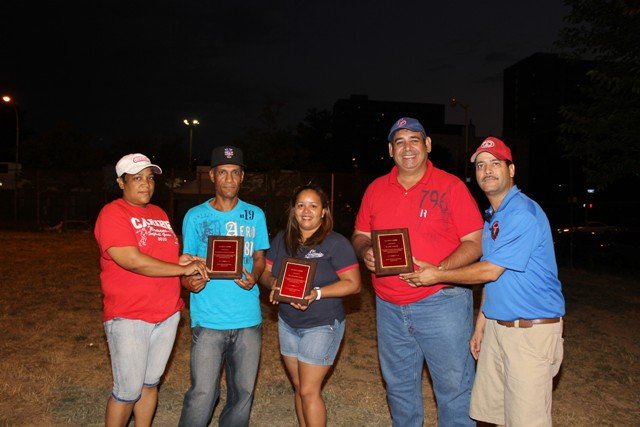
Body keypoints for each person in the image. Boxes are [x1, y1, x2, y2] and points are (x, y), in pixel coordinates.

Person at [399, 137, 565, 426]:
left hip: (529, 333)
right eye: (480, 165)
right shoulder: (493, 218)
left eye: (495, 163)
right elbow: (496, 282)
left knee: (526, 421)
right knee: (493, 416)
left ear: (511, 170)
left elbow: (489, 271)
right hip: (500, 330)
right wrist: (481, 325)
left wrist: (437, 274)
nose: (487, 170)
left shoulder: (522, 213)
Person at [352, 117, 483, 426]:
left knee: (453, 388)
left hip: (441, 301)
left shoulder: (451, 186)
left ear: (427, 145)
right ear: (390, 150)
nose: (407, 147)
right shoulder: (375, 189)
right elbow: (359, 234)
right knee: (399, 387)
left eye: (414, 140)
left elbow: (475, 243)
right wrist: (365, 251)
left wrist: (438, 271)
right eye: (399, 142)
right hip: (389, 306)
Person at [94, 153, 209, 427]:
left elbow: (163, 257)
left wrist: (183, 261)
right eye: (137, 178)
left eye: (149, 178)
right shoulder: (113, 213)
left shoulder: (158, 214)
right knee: (127, 392)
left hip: (166, 313)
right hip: (130, 315)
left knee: (149, 383)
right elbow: (132, 260)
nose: (145, 184)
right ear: (121, 183)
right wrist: (181, 270)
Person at [178, 145, 270, 427]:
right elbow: (185, 265)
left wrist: (254, 276)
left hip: (247, 319)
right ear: (212, 176)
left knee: (242, 393)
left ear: (242, 177)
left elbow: (259, 257)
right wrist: (189, 283)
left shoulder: (255, 215)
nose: (229, 179)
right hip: (208, 319)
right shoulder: (195, 216)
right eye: (223, 173)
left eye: (235, 173)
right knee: (203, 393)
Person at [259, 184, 361, 427]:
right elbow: (265, 271)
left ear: (324, 211)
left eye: (313, 206)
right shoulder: (282, 239)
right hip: (288, 323)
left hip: (322, 325)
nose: (306, 211)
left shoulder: (336, 243)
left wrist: (315, 293)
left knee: (308, 391)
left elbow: (353, 284)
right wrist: (273, 284)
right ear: (293, 210)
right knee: (299, 387)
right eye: (301, 205)